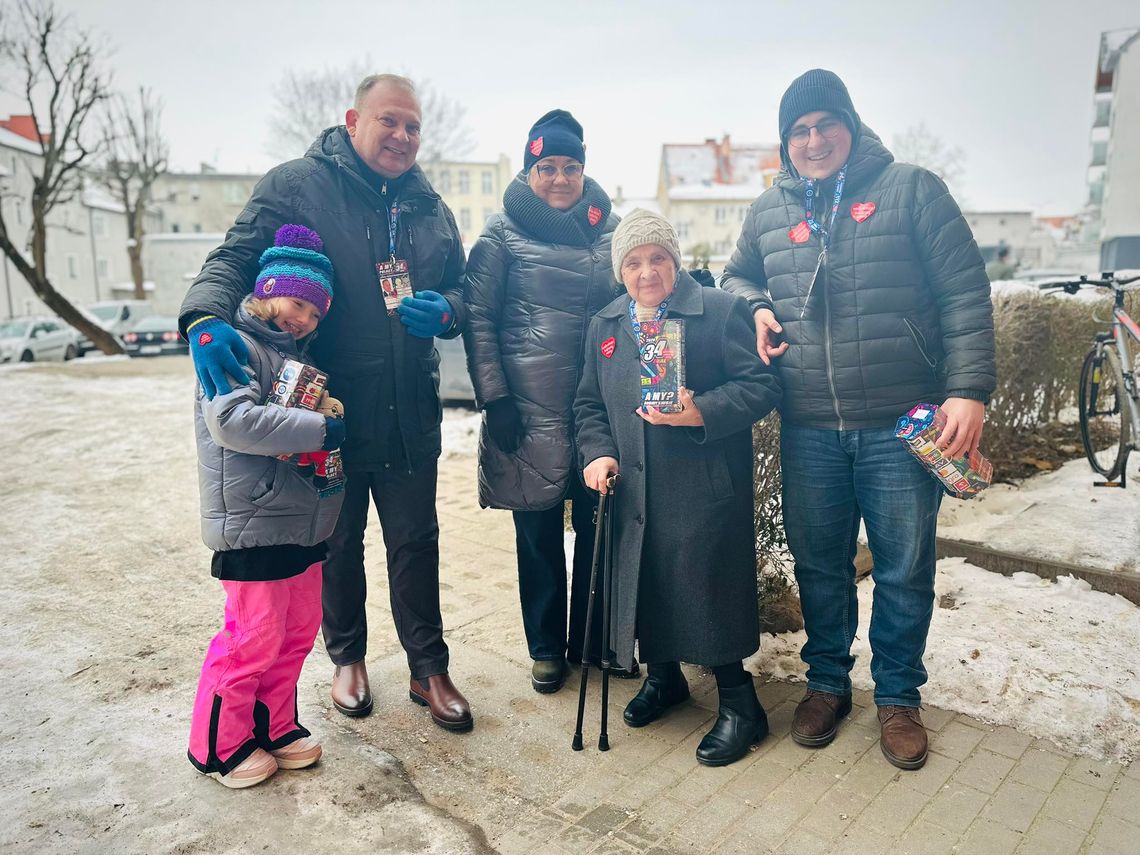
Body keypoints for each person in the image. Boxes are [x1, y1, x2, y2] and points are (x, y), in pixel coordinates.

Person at [180, 74, 473, 732]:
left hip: (409, 409)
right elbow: (233, 256)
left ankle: (429, 667)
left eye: (413, 126)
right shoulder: (297, 184)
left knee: (416, 541)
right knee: (338, 543)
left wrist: (451, 309)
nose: (402, 136)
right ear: (353, 120)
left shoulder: (428, 206)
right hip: (325, 409)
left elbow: (464, 285)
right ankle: (348, 658)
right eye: (389, 121)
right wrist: (202, 317)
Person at [722, 69, 996, 770]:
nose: (814, 141)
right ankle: (828, 683)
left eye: (826, 125)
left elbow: (965, 292)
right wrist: (755, 306)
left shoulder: (911, 189)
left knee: (903, 567)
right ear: (786, 141)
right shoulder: (769, 210)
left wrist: (968, 389)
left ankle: (899, 696)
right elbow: (735, 275)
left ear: (850, 125)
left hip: (899, 426)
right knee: (820, 564)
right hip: (808, 425)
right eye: (799, 131)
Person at [574, 209, 782, 766]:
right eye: (633, 262)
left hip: (702, 485)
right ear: (619, 270)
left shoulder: (719, 311)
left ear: (676, 260)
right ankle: (664, 679)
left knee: (705, 587)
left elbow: (761, 385)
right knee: (646, 579)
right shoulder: (605, 325)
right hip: (632, 487)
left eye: (658, 258)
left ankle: (741, 704)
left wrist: (702, 411)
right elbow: (589, 404)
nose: (647, 272)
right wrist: (598, 452)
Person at [464, 109, 633, 694]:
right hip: (526, 410)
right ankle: (544, 648)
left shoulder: (611, 233)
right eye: (548, 167)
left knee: (596, 527)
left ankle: (589, 639)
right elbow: (479, 318)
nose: (561, 178)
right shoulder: (500, 235)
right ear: (530, 170)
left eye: (571, 166)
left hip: (596, 410)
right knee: (536, 535)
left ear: (583, 170)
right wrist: (494, 397)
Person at [187, 224, 345, 788]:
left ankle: (272, 725)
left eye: (316, 313)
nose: (305, 319)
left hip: (300, 521)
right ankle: (217, 745)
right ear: (269, 291)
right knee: (251, 637)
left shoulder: (294, 358)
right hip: (253, 519)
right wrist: (320, 430)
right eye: (298, 303)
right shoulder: (235, 345)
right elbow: (232, 421)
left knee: (297, 631)